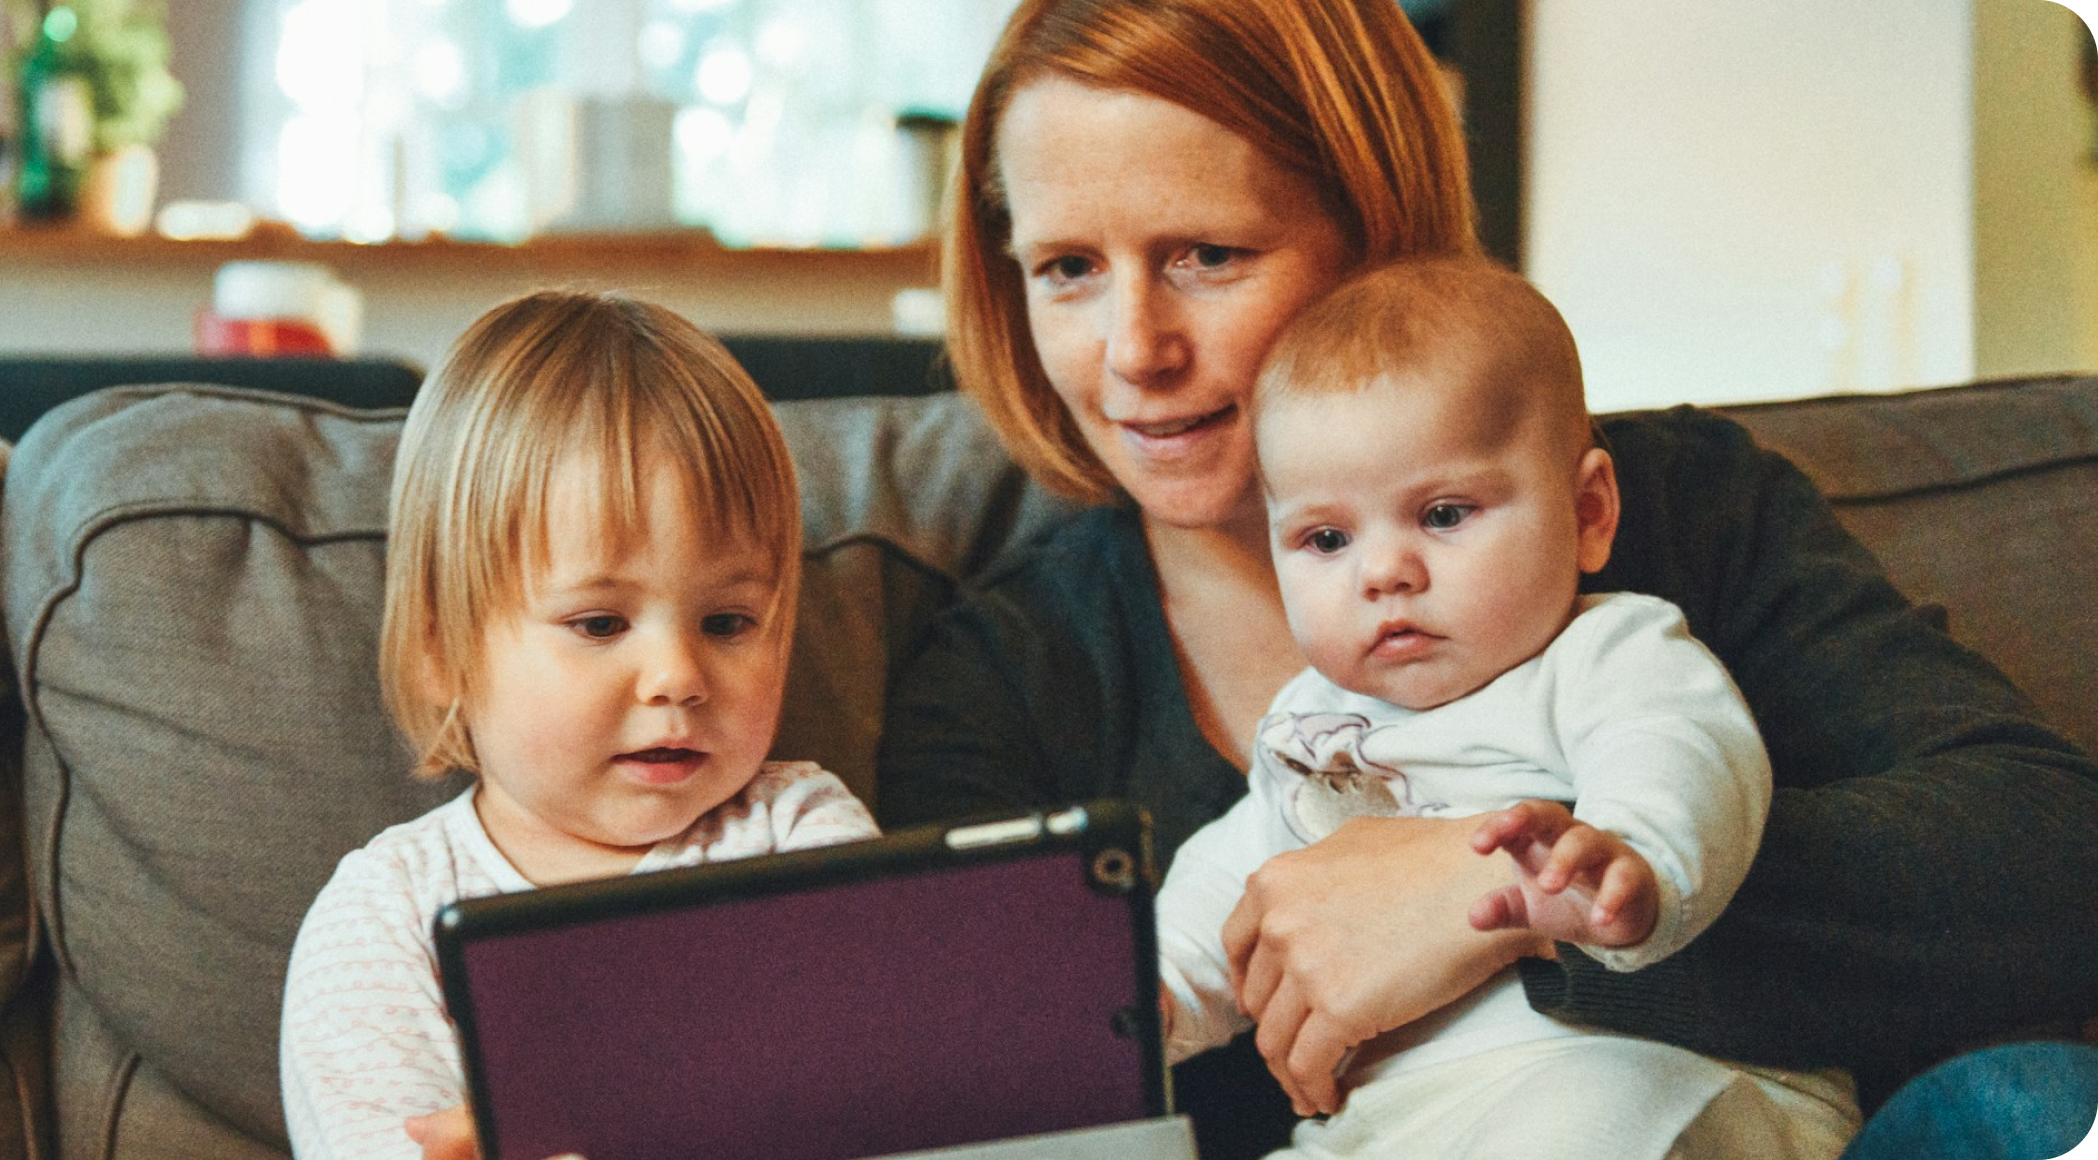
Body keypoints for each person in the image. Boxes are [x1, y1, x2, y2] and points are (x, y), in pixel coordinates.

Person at [876, 1, 2098, 1157]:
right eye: (1067, 269)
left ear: (1373, 228)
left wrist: (1496, 893)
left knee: (2030, 1099)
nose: (1135, 351)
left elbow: (2050, 859)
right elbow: (1002, 1075)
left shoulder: (1670, 510)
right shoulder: (998, 681)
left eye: (1206, 253)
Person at [1151, 256, 1855, 1158]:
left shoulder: (1606, 654)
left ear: (1590, 513)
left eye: (1444, 514)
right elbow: (1238, 880)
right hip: (1395, 1126)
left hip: (1645, 1082)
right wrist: (1151, 996)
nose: (1384, 572)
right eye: (1326, 538)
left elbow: (1680, 749)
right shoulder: (1309, 722)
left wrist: (1630, 862)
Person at [279, 290, 881, 1160]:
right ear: (441, 648)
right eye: (599, 625)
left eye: (728, 623)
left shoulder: (803, 835)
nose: (678, 677)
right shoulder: (386, 920)